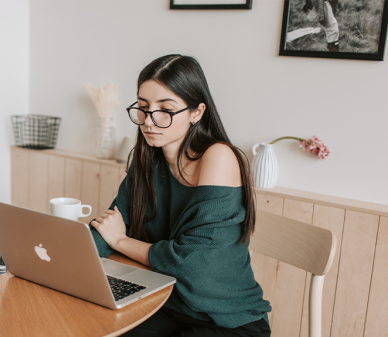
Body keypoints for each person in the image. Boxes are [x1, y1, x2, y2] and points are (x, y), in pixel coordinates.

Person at [89, 55, 272, 337]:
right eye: (142, 107)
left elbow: (191, 262)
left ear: (196, 112)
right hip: (164, 303)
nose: (149, 120)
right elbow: (110, 226)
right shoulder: (146, 159)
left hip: (224, 320)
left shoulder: (218, 157)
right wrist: (69, 256)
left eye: (166, 109)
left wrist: (122, 241)